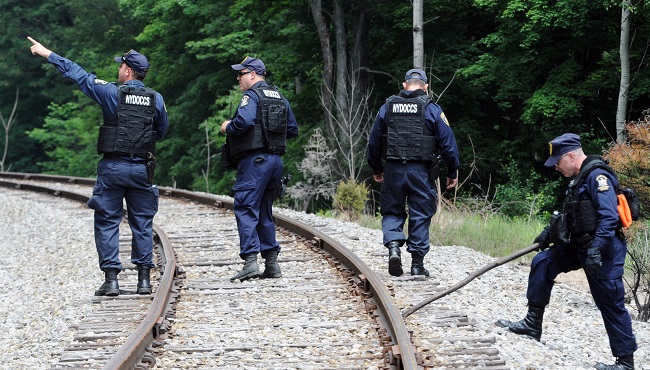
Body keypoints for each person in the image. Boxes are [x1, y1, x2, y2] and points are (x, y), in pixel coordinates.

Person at [28, 36, 169, 297]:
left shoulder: (111, 92)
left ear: (127, 70)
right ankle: (144, 281)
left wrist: (48, 54)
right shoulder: (156, 99)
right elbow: (162, 131)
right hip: (141, 169)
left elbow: (79, 75)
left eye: (120, 66)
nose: (118, 70)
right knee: (142, 223)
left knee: (107, 221)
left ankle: (112, 280)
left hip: (113, 168)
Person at [496, 133, 637, 370]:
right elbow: (572, 216)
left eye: (558, 162)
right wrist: (547, 234)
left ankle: (625, 362)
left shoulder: (597, 177)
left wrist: (596, 249)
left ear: (571, 156)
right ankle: (532, 324)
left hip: (604, 249)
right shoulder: (578, 179)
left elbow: (609, 217)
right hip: (581, 245)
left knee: (610, 301)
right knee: (543, 262)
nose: (556, 168)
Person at [367, 68, 460, 277]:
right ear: (426, 86)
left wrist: (376, 168)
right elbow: (448, 144)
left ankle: (393, 248)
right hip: (421, 172)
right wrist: (452, 170)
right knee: (420, 214)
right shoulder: (432, 109)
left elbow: (373, 141)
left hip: (392, 169)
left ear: (404, 85)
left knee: (392, 211)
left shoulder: (387, 107)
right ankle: (417, 265)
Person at [221, 56, 298, 282]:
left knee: (245, 207)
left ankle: (250, 262)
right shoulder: (280, 97)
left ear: (253, 74)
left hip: (255, 162)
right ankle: (272, 263)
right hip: (275, 163)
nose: (238, 78)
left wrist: (228, 127)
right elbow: (292, 129)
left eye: (241, 74)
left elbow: (243, 122)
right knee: (264, 210)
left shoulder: (251, 96)